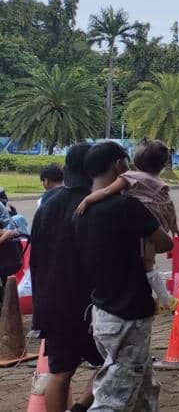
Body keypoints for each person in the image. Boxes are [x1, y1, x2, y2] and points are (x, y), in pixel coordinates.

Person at [74, 141, 174, 412]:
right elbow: (165, 243)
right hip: (127, 314)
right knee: (114, 399)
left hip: (102, 311)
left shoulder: (81, 211)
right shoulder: (126, 205)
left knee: (144, 386)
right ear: (118, 165)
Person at [30, 143, 99, 412]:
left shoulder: (48, 204)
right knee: (112, 362)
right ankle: (81, 406)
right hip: (89, 302)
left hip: (52, 301)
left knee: (60, 372)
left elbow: (37, 255)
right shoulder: (94, 203)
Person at [76, 140, 179, 311]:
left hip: (142, 224)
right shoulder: (160, 183)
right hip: (158, 221)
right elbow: (169, 205)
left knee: (146, 264)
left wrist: (87, 199)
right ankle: (163, 298)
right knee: (149, 263)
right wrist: (173, 225)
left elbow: (107, 191)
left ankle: (163, 299)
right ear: (162, 165)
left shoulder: (129, 179)